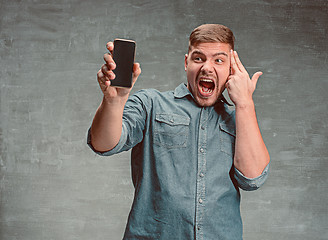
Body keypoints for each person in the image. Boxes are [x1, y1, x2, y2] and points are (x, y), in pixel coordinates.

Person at [88, 24, 270, 240]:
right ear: (186, 63)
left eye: (219, 60)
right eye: (199, 58)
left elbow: (252, 179)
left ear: (232, 69)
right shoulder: (150, 104)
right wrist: (113, 101)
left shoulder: (239, 118)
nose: (207, 68)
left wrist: (245, 104)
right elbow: (104, 144)